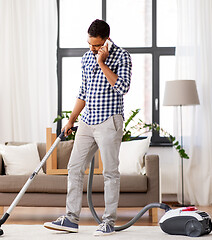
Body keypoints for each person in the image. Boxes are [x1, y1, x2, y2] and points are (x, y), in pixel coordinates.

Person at [44, 19, 132, 236]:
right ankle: (71, 219)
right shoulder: (86, 58)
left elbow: (123, 87)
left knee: (110, 172)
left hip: (109, 121)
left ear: (106, 39)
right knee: (74, 167)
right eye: (89, 44)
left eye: (96, 45)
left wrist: (102, 63)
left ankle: (108, 222)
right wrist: (71, 119)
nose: (92, 49)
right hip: (87, 121)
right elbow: (83, 91)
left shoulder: (122, 56)